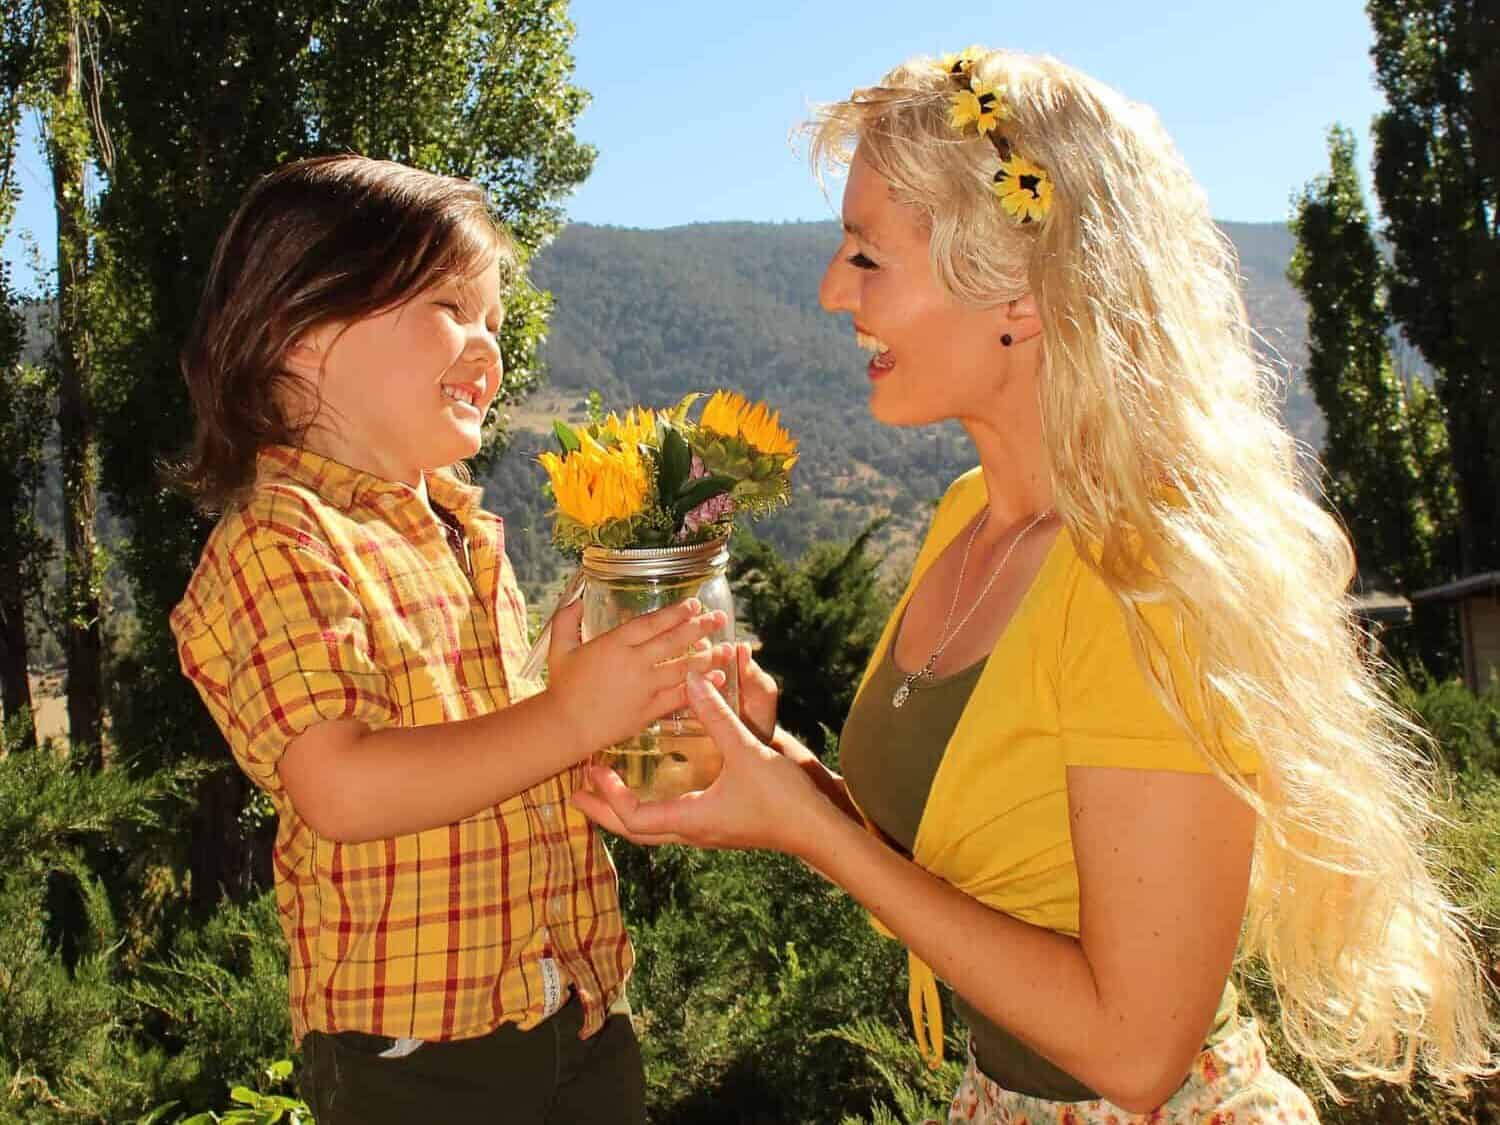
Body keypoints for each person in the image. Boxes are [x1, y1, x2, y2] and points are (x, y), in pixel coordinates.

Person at [573, 47, 1496, 1123]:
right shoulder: (971, 511)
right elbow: (961, 877)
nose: (831, 290)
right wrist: (777, 778)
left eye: (867, 256)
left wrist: (811, 830)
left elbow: (1137, 1051)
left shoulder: (1144, 578)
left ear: (1013, 288)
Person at [169, 154, 730, 1125]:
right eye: (450, 307)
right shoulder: (281, 538)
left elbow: (502, 746)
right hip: (422, 1057)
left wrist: (579, 677)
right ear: (299, 331)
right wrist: (566, 713)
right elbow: (340, 785)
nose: (489, 349)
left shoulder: (464, 534)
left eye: (495, 324)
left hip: (580, 1010)